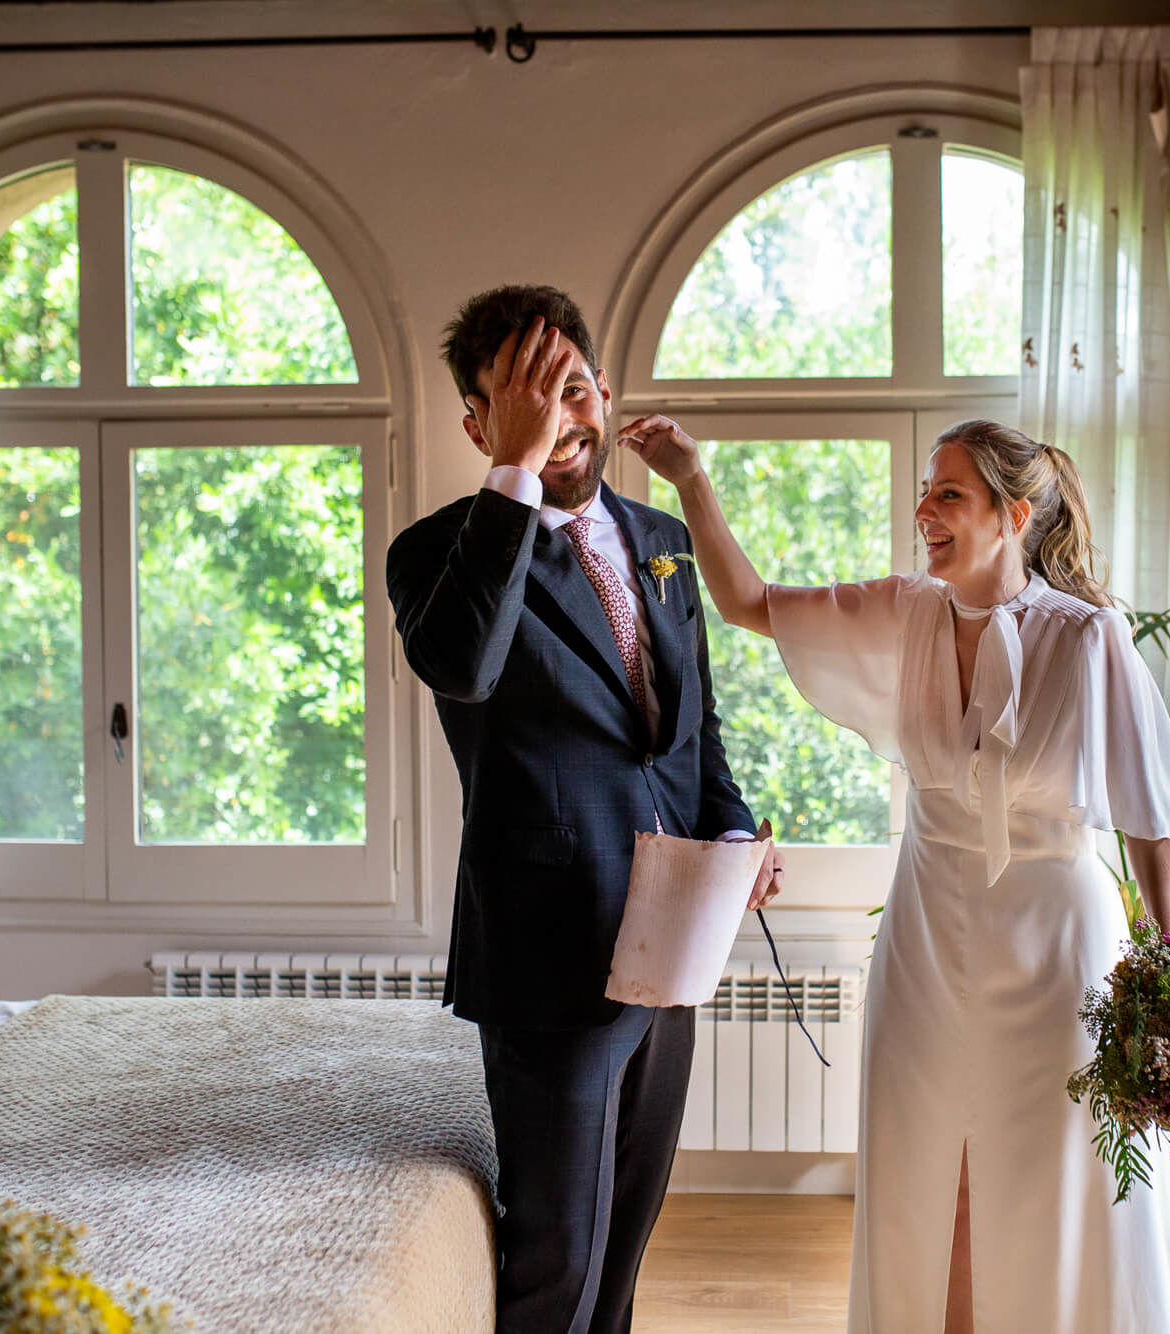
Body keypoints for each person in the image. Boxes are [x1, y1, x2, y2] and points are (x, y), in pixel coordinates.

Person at [617, 414, 1170, 1333]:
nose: (923, 511)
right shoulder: (903, 610)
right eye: (924, 492)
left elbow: (1153, 811)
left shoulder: (1090, 638)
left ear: (1015, 515)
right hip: (930, 930)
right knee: (936, 1173)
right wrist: (692, 477)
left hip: (1061, 943)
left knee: (1059, 1174)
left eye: (949, 495)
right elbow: (746, 601)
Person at [385, 285, 780, 1334]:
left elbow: (692, 724)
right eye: (519, 402)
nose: (557, 417)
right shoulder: (437, 553)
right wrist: (513, 472)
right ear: (477, 423)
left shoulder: (658, 535)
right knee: (554, 1260)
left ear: (602, 393)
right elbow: (464, 668)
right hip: (548, 955)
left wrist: (732, 833)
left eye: (568, 389)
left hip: (671, 937)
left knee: (622, 1248)